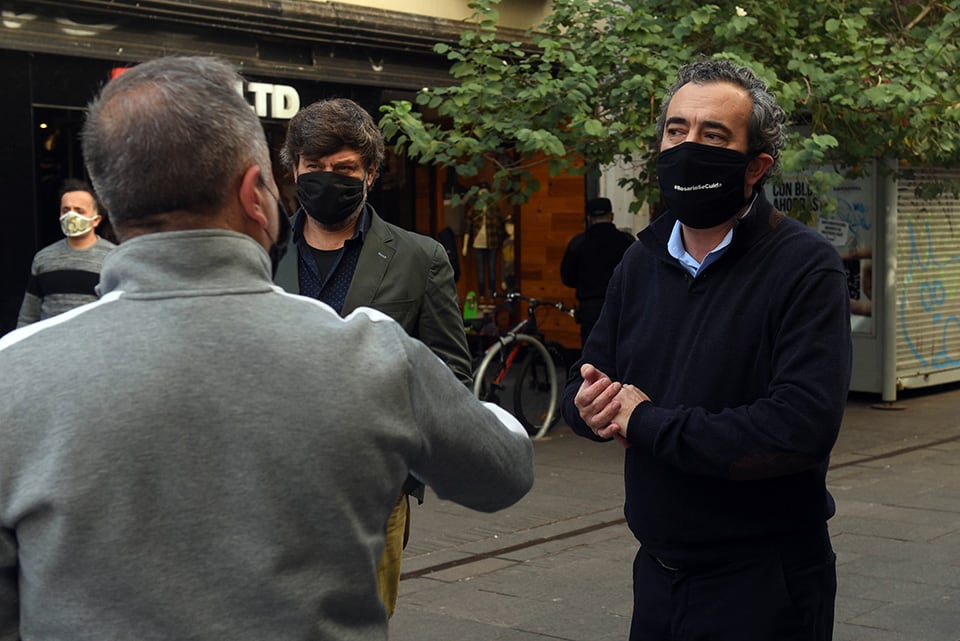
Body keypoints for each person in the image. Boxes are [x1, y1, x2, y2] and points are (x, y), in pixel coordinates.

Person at [0, 56, 534, 641]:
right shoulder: (374, 355)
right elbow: (503, 470)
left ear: (109, 201)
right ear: (259, 193)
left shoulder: (12, 374)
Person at [561, 59, 852, 641]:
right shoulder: (639, 262)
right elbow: (586, 378)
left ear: (756, 166)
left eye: (713, 135)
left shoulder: (804, 267)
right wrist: (586, 405)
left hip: (765, 581)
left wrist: (644, 420)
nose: (687, 146)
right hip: (659, 575)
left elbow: (796, 429)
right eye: (676, 130)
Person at [273, 97, 473, 616]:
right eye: (314, 168)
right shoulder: (259, 254)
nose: (327, 178)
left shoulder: (419, 257)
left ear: (371, 173)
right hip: (270, 490)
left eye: (343, 169)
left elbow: (449, 375)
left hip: (374, 494)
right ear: (294, 169)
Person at [16, 179, 116, 327]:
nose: (71, 216)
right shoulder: (43, 259)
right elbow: (29, 315)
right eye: (66, 210)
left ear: (96, 220)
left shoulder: (114, 258)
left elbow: (118, 312)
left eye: (79, 210)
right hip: (50, 346)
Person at [560, 197, 634, 346]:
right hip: (622, 306)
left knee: (592, 356)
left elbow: (567, 277)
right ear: (612, 216)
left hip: (590, 308)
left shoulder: (579, 243)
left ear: (589, 218)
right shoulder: (626, 241)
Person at [463, 184, 507, 303]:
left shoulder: (494, 208)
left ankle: (492, 293)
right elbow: (468, 228)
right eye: (481, 193)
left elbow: (500, 227)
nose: (483, 195)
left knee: (492, 269)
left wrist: (504, 241)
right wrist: (465, 245)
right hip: (478, 243)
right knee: (480, 270)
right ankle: (481, 294)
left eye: (485, 193)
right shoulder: (474, 210)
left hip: (492, 242)